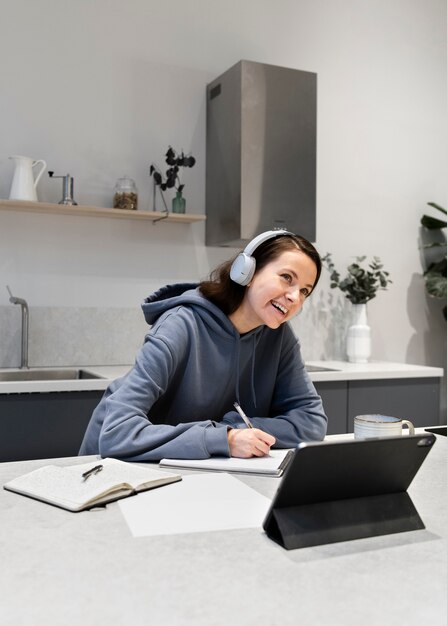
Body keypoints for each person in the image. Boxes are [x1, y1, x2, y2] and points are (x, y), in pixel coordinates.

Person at [79, 230, 327, 461]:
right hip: (108, 470)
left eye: (304, 290)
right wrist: (223, 438)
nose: (295, 297)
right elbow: (116, 432)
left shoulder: (278, 337)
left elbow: (312, 422)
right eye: (286, 278)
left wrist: (235, 429)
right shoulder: (180, 324)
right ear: (248, 272)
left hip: (189, 471)